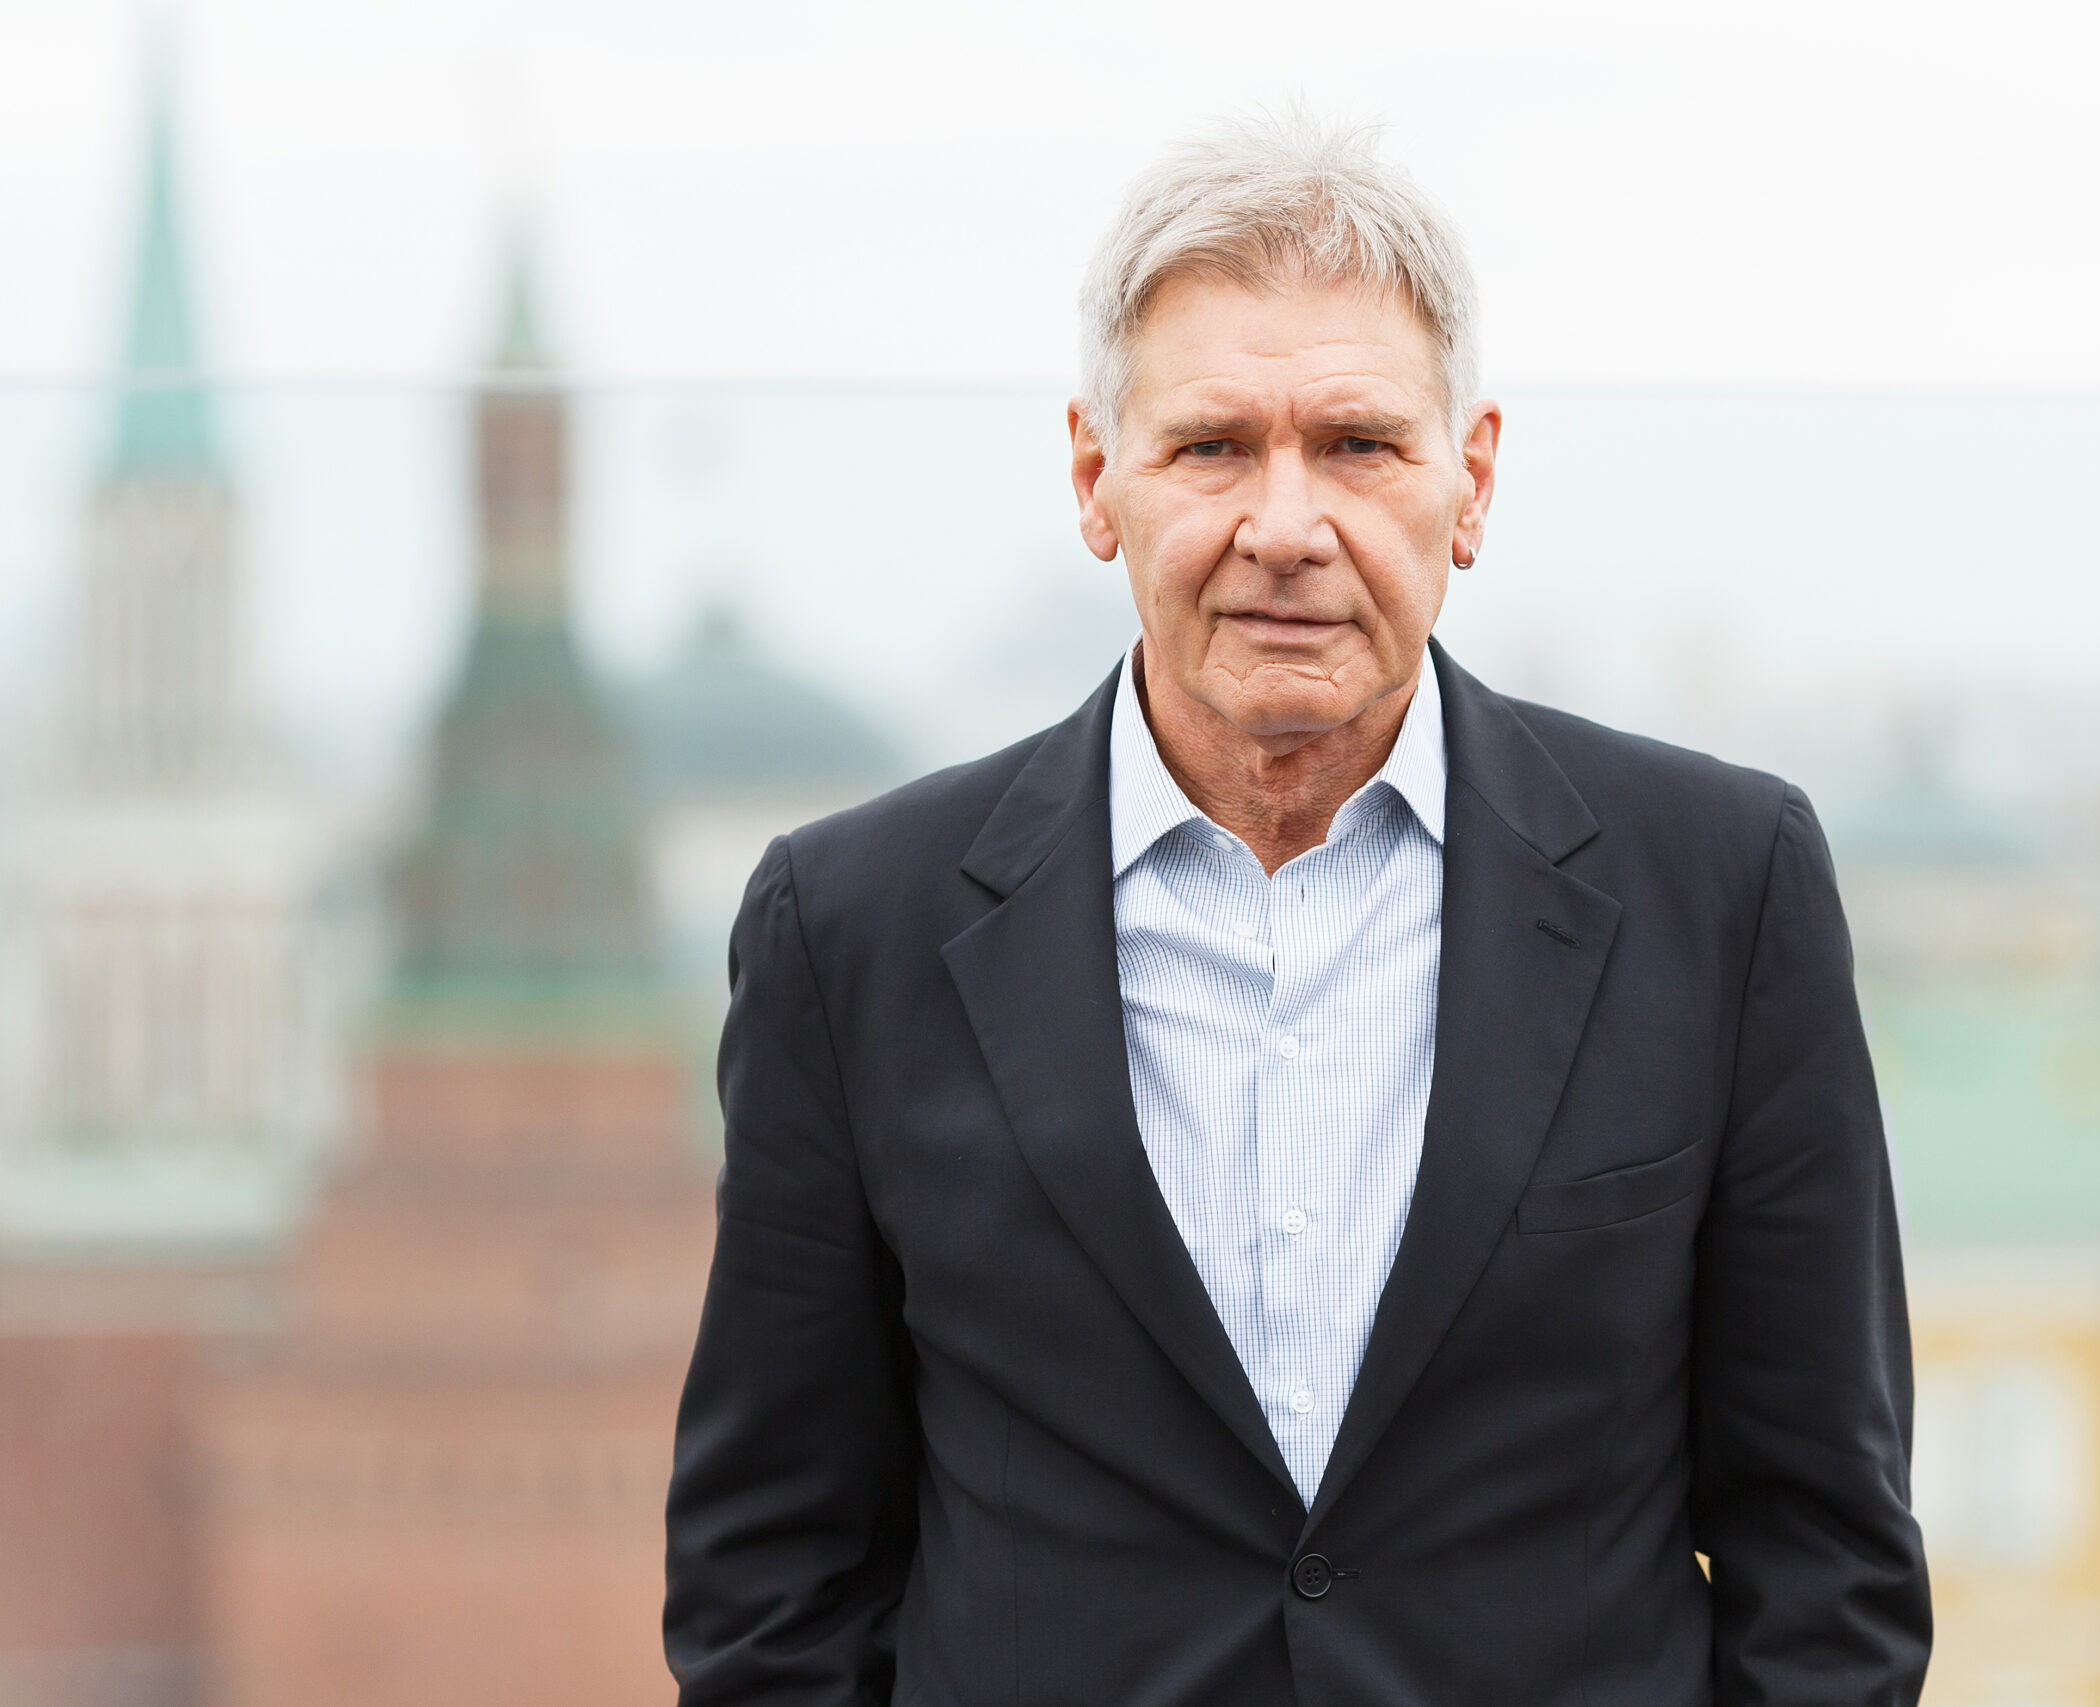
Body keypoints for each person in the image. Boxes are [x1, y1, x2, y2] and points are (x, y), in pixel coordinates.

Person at [663, 112, 1930, 1706]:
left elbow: (1827, 1559)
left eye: (1358, 445)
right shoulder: (848, 928)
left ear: (1466, 485)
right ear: (1094, 479)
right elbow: (769, 1578)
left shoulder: (1723, 887)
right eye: (1210, 446)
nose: (1284, 526)